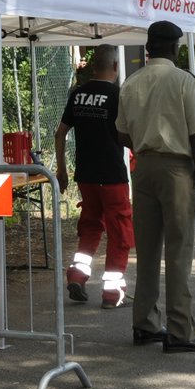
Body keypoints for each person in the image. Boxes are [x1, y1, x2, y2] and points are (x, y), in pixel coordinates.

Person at [115, 20, 195, 353]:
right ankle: (180, 330)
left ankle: (144, 323)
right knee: (178, 250)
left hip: (142, 167)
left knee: (146, 250)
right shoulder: (184, 82)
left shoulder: (131, 83)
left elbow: (121, 133)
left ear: (148, 48)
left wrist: (145, 143)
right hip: (176, 170)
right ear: (175, 48)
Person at [54, 44, 133, 308]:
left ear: (92, 65)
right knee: (120, 233)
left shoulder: (77, 94)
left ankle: (77, 275)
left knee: (89, 227)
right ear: (114, 66)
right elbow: (128, 134)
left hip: (85, 176)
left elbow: (60, 133)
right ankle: (112, 292)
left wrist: (62, 170)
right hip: (112, 177)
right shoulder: (117, 95)